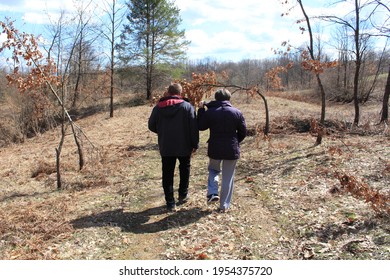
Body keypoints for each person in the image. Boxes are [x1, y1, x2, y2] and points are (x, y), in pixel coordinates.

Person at [148, 83, 199, 212]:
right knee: (185, 169)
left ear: (168, 93)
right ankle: (183, 194)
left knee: (167, 173)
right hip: (184, 144)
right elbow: (194, 127)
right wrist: (194, 144)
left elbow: (151, 125)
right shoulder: (187, 107)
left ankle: (170, 202)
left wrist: (163, 132)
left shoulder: (158, 107)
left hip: (166, 145)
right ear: (180, 93)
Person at [197, 89, 247, 213]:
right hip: (231, 148)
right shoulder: (237, 112)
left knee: (213, 170)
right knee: (228, 177)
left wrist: (202, 109)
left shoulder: (211, 112)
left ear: (216, 98)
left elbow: (200, 126)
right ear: (229, 98)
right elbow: (243, 132)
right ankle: (224, 206)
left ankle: (213, 192)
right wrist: (236, 141)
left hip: (215, 147)